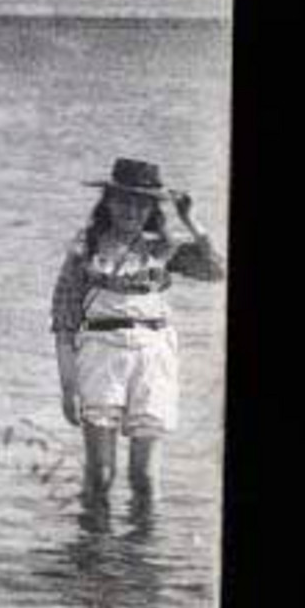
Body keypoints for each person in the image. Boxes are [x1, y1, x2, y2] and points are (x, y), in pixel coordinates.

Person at [50, 157, 224, 516]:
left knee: (144, 476)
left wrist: (191, 219)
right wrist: (69, 388)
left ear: (151, 209)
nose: (131, 209)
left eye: (141, 203)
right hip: (99, 354)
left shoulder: (164, 248)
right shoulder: (86, 247)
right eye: (123, 200)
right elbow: (65, 321)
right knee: (101, 475)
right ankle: (94, 555)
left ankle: (140, 563)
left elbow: (217, 270)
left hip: (154, 355)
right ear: (108, 202)